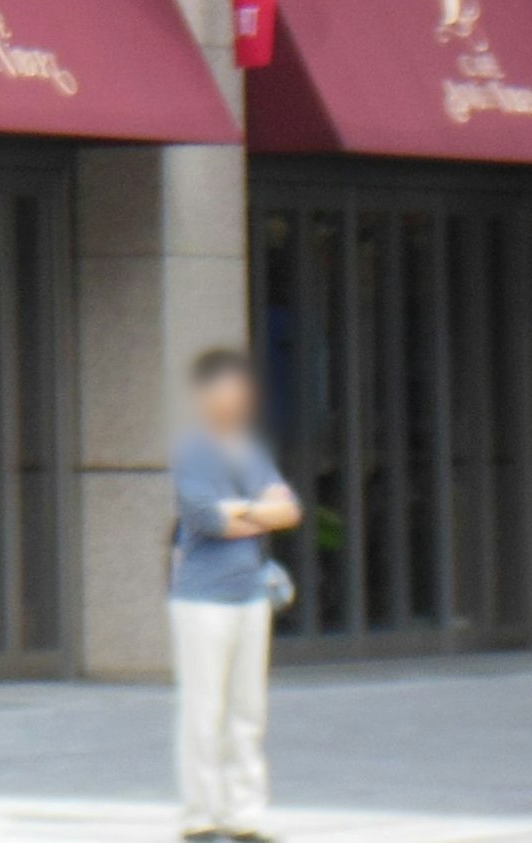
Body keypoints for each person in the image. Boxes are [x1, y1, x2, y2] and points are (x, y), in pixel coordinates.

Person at [169, 345, 301, 841]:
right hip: (202, 597)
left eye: (242, 388)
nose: (238, 397)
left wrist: (239, 513)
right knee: (204, 712)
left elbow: (289, 511)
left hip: (250, 593)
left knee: (248, 712)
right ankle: (199, 818)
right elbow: (206, 518)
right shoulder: (192, 450)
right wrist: (256, 511)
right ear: (205, 395)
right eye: (227, 387)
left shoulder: (250, 448)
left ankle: (244, 815)